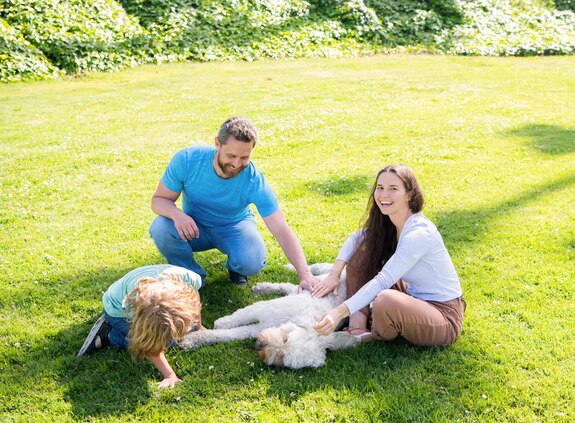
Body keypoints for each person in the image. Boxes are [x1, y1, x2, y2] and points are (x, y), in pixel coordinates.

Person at [149, 116, 318, 290]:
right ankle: (191, 275)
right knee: (160, 227)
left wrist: (305, 275)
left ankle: (236, 268)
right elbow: (159, 200)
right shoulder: (187, 160)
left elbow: (281, 229)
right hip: (194, 227)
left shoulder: (254, 180)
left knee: (252, 261)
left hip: (234, 226)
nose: (237, 164)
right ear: (217, 144)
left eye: (244, 157)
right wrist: (177, 215)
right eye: (231, 155)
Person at [313, 164, 465, 346]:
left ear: (409, 194)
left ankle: (373, 331)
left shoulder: (419, 233)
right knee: (361, 256)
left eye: (393, 189)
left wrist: (336, 313)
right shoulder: (391, 222)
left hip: (443, 315)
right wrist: (333, 275)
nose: (384, 195)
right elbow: (356, 239)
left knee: (385, 300)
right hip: (413, 295)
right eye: (380, 188)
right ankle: (358, 325)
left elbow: (383, 280)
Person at [76, 264, 204, 388]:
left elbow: (195, 298)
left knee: (181, 334)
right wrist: (170, 375)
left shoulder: (188, 279)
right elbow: (149, 345)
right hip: (117, 312)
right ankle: (110, 334)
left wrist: (199, 327)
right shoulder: (137, 306)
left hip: (137, 299)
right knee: (165, 343)